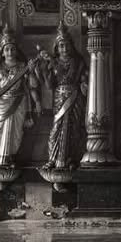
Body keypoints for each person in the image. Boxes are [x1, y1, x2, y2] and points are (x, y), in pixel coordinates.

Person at [0, 26, 40, 168]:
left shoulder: (23, 66)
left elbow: (32, 85)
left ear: (17, 51)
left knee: (16, 133)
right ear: (2, 52)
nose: (10, 52)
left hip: (19, 102)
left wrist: (32, 71)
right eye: (7, 49)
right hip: (2, 101)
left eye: (12, 49)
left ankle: (10, 157)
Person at [37, 23, 87, 171]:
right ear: (57, 48)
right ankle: (53, 158)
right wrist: (44, 71)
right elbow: (49, 85)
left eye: (66, 45)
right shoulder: (53, 63)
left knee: (74, 128)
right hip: (59, 98)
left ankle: (71, 159)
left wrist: (85, 83)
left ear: (71, 46)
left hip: (75, 97)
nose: (64, 49)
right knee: (56, 129)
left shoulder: (78, 62)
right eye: (61, 46)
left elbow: (84, 78)